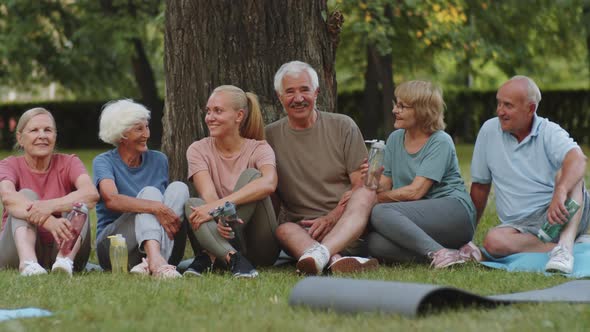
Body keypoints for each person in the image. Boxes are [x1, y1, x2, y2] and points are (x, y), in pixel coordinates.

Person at [468, 75, 590, 274]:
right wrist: (467, 236)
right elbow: (480, 187)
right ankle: (559, 249)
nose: (500, 111)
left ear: (530, 109)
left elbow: (578, 159)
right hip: (521, 227)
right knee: (492, 241)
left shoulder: (548, 131)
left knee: (570, 172)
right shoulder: (488, 131)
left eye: (508, 105)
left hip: (560, 213)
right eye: (498, 104)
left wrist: (560, 191)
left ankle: (566, 245)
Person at [266, 60, 378, 275]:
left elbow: (359, 185)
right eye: (290, 92)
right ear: (280, 97)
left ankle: (323, 255)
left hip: (348, 225)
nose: (298, 98)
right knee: (283, 230)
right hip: (305, 233)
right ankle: (334, 260)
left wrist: (332, 217)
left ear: (316, 92)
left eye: (304, 90)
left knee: (366, 193)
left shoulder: (343, 126)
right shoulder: (269, 137)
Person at [365, 80, 476, 268]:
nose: (395, 110)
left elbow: (415, 192)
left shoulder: (440, 141)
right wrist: (371, 183)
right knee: (375, 243)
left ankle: (439, 253)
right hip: (418, 216)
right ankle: (453, 252)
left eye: (402, 106)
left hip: (454, 213)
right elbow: (385, 183)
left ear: (422, 111)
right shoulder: (394, 139)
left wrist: (375, 200)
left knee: (380, 211)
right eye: (396, 104)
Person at [184, 85, 280, 278]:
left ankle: (210, 256)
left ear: (239, 116)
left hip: (259, 247)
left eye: (218, 111)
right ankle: (233, 258)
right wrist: (220, 217)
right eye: (208, 111)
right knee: (192, 204)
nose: (209, 117)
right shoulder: (197, 149)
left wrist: (220, 210)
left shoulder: (259, 148)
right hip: (221, 237)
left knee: (252, 176)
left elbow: (269, 183)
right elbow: (208, 195)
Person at [93, 99, 189, 279]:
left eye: (147, 127)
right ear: (121, 134)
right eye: (139, 129)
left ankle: (155, 261)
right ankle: (156, 260)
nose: (146, 134)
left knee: (179, 188)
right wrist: (154, 207)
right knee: (150, 195)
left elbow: (168, 211)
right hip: (116, 249)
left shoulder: (159, 160)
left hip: (163, 245)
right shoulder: (103, 161)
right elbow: (111, 199)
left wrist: (157, 208)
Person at [0, 107, 99, 276]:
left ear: (55, 136)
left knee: (79, 205)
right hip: (15, 252)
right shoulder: (9, 165)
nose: (42, 136)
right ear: (20, 137)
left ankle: (63, 262)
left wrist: (49, 206)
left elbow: (91, 194)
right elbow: (8, 198)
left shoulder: (69, 162)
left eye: (48, 130)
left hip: (64, 247)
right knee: (24, 195)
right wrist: (48, 220)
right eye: (34, 130)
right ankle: (28, 263)